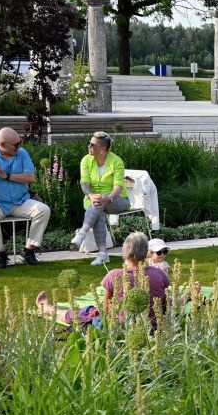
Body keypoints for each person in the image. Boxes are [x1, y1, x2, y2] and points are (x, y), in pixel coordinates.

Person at [0, 127, 50, 269]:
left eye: (19, 142)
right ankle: (0, 253)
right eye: (16, 144)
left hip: (20, 201)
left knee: (43, 210)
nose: (19, 146)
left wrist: (7, 175)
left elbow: (30, 177)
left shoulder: (22, 154)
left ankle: (28, 250)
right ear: (3, 145)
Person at [69, 131, 128, 266]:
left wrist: (109, 198)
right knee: (98, 208)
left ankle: (82, 231)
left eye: (92, 144)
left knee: (99, 203)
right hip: (93, 201)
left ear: (102, 148)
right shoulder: (86, 160)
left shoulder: (116, 161)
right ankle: (102, 254)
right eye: (89, 143)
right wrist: (90, 195)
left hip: (118, 200)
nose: (88, 146)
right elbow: (84, 184)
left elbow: (118, 187)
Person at [101, 231, 170, 327]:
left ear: (124, 251)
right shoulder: (159, 273)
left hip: (125, 328)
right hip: (154, 327)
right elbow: (166, 305)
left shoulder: (113, 275)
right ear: (146, 252)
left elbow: (106, 311)